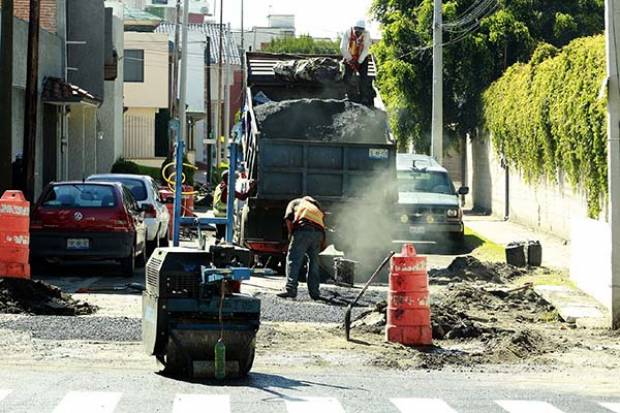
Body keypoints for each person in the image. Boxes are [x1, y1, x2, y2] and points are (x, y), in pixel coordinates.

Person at [277, 196, 326, 300]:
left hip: (303, 230)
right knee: (314, 263)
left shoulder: (295, 202)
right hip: (319, 233)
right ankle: (315, 293)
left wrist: (290, 234)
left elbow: (288, 218)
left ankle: (291, 289)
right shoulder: (315, 208)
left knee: (293, 260)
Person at [212, 170, 255, 241]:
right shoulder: (229, 190)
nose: (235, 181)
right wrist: (251, 187)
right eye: (234, 179)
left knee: (219, 235)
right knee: (228, 236)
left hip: (217, 216)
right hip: (225, 217)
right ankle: (224, 249)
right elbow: (243, 197)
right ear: (229, 179)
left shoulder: (219, 186)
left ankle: (217, 247)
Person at [340, 19, 373, 106]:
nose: (358, 32)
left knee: (364, 78)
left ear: (363, 30)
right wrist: (350, 59)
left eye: (360, 30)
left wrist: (359, 61)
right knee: (346, 76)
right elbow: (342, 48)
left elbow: (366, 49)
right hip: (350, 55)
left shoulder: (366, 34)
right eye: (357, 30)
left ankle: (364, 97)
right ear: (354, 28)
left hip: (362, 57)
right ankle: (347, 95)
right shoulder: (347, 32)